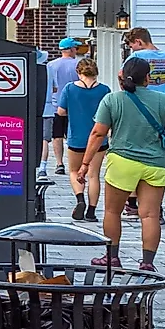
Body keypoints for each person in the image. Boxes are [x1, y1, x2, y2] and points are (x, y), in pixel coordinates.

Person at [86, 54, 165, 270]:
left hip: (122, 161)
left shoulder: (112, 100)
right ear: (147, 79)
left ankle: (112, 257)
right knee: (150, 215)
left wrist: (85, 163)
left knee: (112, 211)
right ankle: (147, 262)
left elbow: (97, 133)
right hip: (156, 163)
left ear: (122, 76)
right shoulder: (164, 101)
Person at [62, 56, 109, 222]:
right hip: (99, 139)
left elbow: (61, 112)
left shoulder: (69, 89)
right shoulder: (104, 90)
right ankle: (91, 211)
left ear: (78, 72)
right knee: (94, 175)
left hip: (76, 138)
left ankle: (80, 198)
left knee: (74, 171)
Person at [124, 25, 165, 110]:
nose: (132, 50)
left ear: (138, 42)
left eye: (132, 47)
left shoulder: (136, 56)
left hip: (144, 108)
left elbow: (121, 74)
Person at [44, 38, 83, 173]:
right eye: (75, 49)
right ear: (71, 49)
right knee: (74, 135)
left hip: (55, 105)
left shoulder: (51, 65)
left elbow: (49, 86)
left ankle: (59, 163)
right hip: (75, 106)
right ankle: (76, 163)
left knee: (57, 135)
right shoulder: (79, 65)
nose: (76, 51)